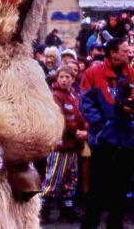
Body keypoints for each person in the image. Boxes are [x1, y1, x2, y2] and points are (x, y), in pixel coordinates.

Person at [79, 38, 134, 229]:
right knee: (97, 192)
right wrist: (102, 125)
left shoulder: (131, 73)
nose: (129, 53)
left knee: (120, 192)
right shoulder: (93, 73)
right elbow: (86, 105)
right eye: (125, 51)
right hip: (103, 143)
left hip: (126, 141)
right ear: (112, 52)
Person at [40, 65, 87, 224]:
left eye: (67, 77)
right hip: (61, 146)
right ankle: (42, 210)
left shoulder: (74, 95)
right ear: (57, 79)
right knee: (54, 177)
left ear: (73, 79)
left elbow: (78, 115)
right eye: (61, 77)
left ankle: (67, 209)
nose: (64, 80)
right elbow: (61, 118)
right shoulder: (55, 96)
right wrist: (76, 131)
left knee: (71, 179)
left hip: (73, 146)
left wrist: (85, 128)